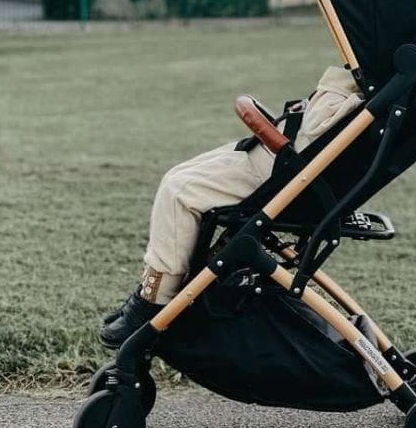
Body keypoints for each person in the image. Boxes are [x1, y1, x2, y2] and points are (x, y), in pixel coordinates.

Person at [100, 66, 363, 347]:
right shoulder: (388, 83)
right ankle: (155, 292)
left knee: (180, 190)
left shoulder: (370, 77)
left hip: (295, 167)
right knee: (178, 176)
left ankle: (154, 302)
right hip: (301, 159)